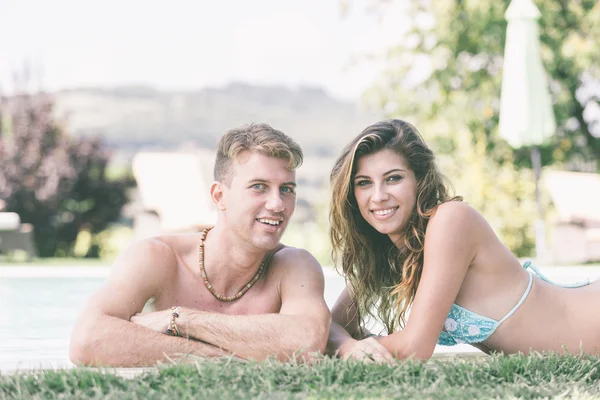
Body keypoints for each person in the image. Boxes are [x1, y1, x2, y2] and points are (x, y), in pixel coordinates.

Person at [326, 119, 600, 362]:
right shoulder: (390, 250)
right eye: (364, 183)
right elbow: (329, 325)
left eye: (393, 178)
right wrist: (349, 345)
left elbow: (414, 346)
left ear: (419, 180)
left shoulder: (451, 220)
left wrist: (352, 347)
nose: (378, 195)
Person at [70, 123, 330, 367]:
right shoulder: (157, 257)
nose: (277, 204)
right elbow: (87, 339)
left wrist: (182, 320)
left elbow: (308, 343)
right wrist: (218, 357)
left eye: (287, 189)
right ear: (219, 196)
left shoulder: (295, 265)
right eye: (259, 187)